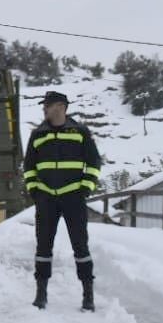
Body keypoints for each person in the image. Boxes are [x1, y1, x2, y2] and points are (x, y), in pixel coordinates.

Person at [22, 90, 103, 310]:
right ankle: (41, 294)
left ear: (60, 106)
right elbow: (29, 166)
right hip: (46, 199)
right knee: (43, 247)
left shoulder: (80, 132)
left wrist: (85, 188)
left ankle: (88, 296)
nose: (44, 109)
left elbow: (94, 161)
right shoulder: (38, 134)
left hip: (73, 199)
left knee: (81, 247)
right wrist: (35, 191)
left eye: (46, 105)